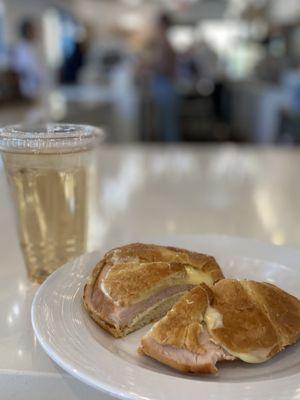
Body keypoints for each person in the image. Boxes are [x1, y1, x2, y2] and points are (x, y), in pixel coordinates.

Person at [150, 12, 179, 142]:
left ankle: (170, 153)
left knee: (167, 124)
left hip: (165, 85)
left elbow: (164, 68)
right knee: (165, 123)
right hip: (164, 84)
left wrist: (150, 66)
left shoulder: (165, 44)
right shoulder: (165, 43)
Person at [11, 18, 43, 100]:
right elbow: (21, 69)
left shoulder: (31, 47)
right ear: (27, 31)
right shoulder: (21, 48)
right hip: (28, 88)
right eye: (32, 30)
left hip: (36, 87)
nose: (35, 32)